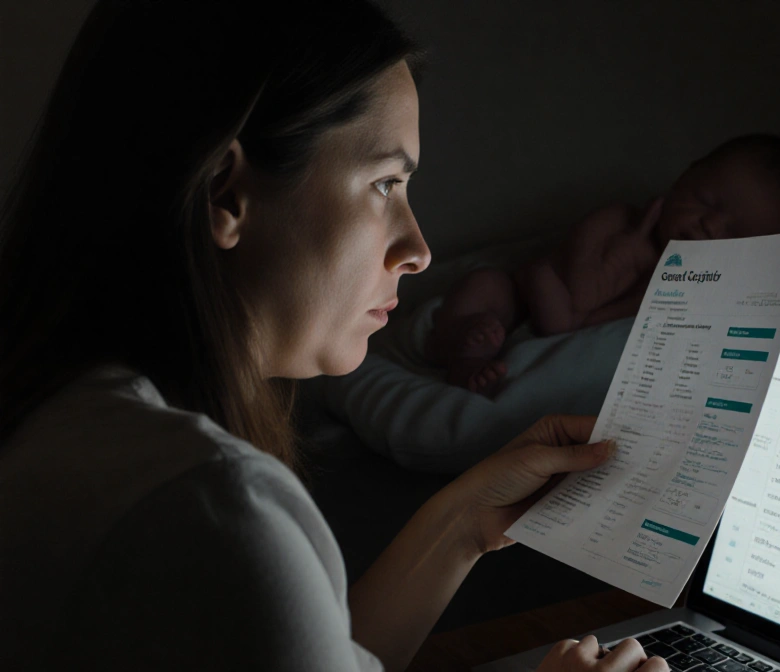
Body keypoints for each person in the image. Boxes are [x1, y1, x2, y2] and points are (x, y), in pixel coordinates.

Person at [0, 1, 666, 670]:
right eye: (385, 183)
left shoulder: (73, 413)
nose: (418, 249)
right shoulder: (210, 506)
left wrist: (464, 522)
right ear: (226, 195)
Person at [426, 135, 780, 395]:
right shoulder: (618, 220)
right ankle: (461, 352)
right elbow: (576, 286)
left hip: (560, 317)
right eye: (708, 202)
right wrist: (622, 254)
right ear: (684, 177)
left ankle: (479, 355)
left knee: (560, 322)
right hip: (527, 294)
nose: (710, 227)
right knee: (485, 284)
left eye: (737, 236)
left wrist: (579, 317)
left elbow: (592, 321)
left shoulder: (675, 282)